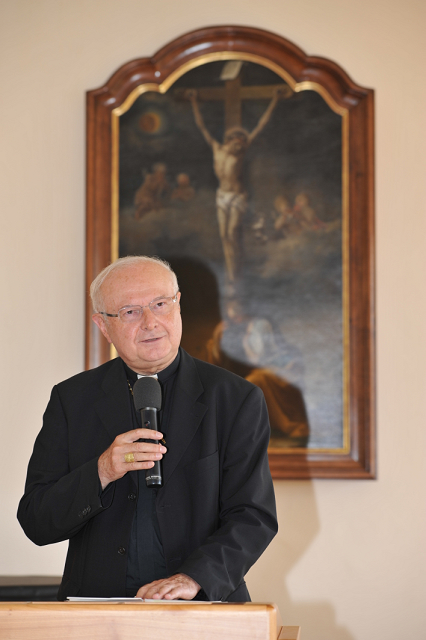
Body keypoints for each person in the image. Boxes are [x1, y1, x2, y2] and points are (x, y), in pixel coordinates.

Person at [17, 256, 277, 602]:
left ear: (178, 305)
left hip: (203, 603)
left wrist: (194, 578)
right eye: (130, 311)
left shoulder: (235, 398)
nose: (151, 322)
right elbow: (37, 521)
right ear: (103, 325)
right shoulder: (72, 399)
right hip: (96, 607)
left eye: (160, 304)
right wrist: (102, 471)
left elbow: (253, 516)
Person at [187, 88, 282, 284]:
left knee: (232, 234)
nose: (240, 146)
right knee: (224, 237)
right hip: (222, 196)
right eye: (238, 142)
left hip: (237, 196)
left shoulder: (240, 153)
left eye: (242, 143)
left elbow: (261, 125)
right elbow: (201, 126)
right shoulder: (216, 148)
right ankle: (231, 274)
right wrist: (193, 102)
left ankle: (236, 273)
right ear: (230, 141)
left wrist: (275, 99)